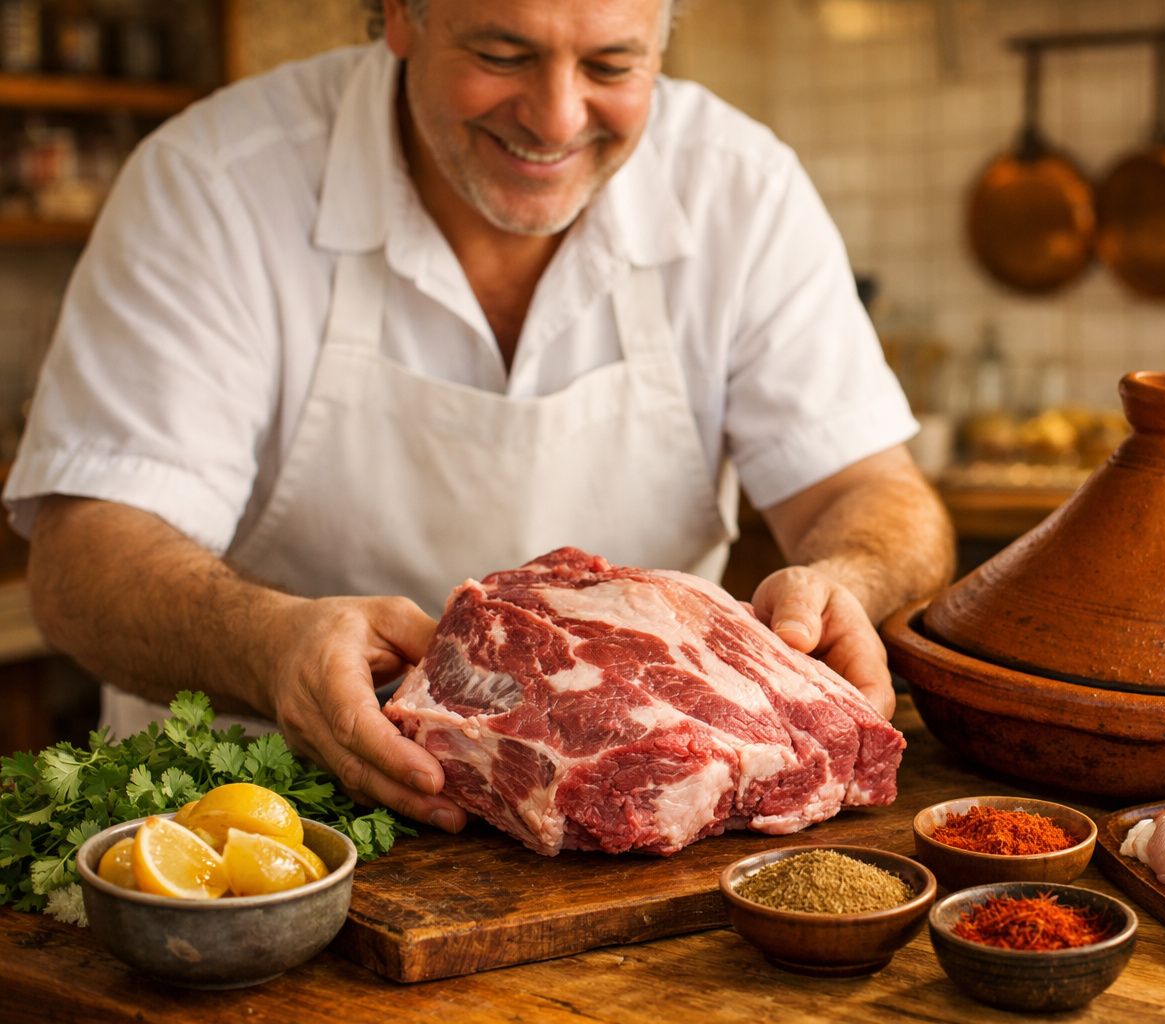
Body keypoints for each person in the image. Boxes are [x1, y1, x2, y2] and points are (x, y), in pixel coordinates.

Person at [3, 0, 954, 833]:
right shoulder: (214, 183)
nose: (556, 116)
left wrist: (845, 580)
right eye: (502, 55)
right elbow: (86, 560)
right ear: (401, 15)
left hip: (638, 821)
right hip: (257, 841)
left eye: (613, 65)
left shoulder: (739, 188)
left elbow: (876, 492)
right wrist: (268, 649)